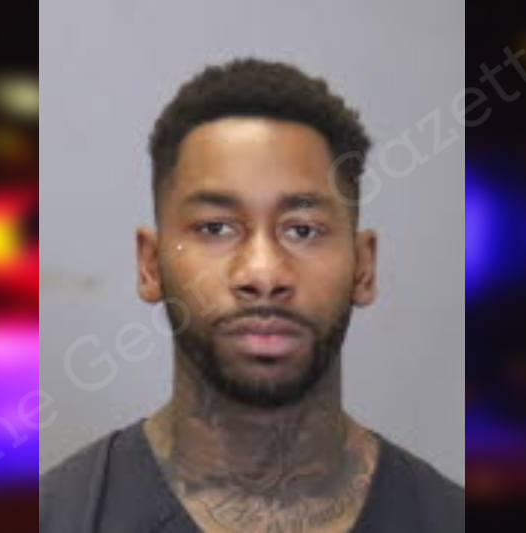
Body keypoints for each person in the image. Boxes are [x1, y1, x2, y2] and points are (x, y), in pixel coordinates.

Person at [40, 58, 464, 533]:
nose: (263, 273)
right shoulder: (57, 516)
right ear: (150, 265)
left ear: (364, 267)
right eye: (215, 228)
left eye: (302, 230)